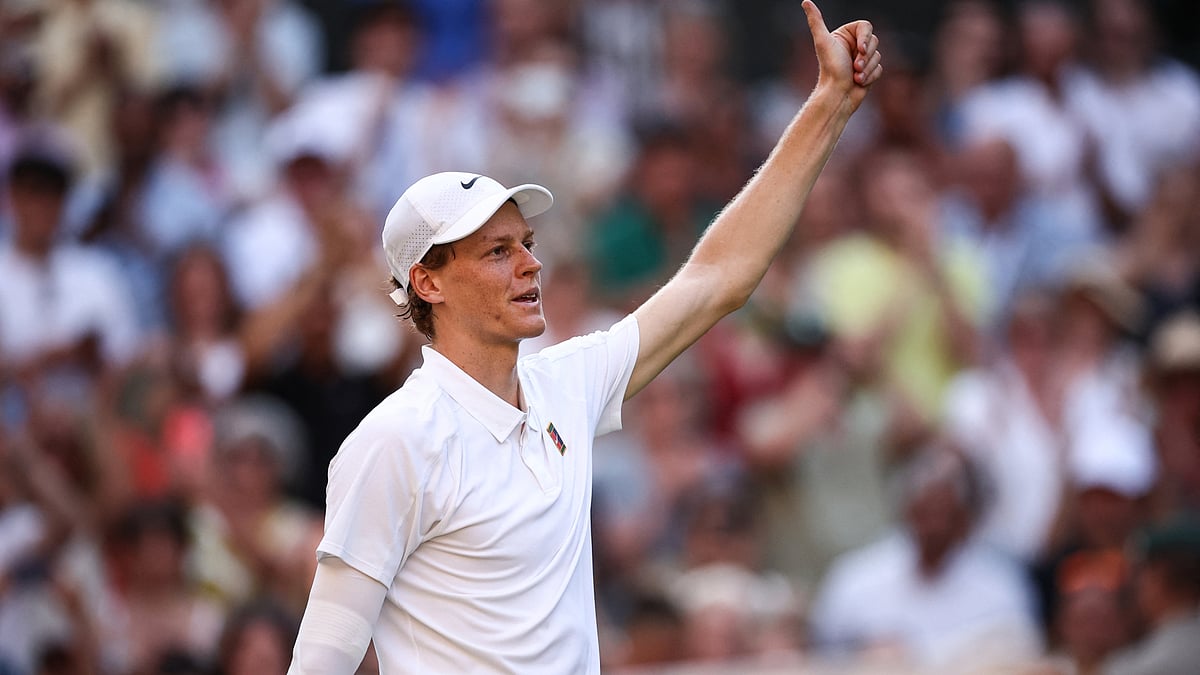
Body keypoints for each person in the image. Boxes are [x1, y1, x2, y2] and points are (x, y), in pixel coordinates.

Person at [286, 2, 883, 672]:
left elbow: (720, 277)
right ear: (428, 282)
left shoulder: (565, 384)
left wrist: (830, 103)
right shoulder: (393, 439)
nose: (531, 263)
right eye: (496, 251)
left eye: (528, 244)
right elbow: (322, 659)